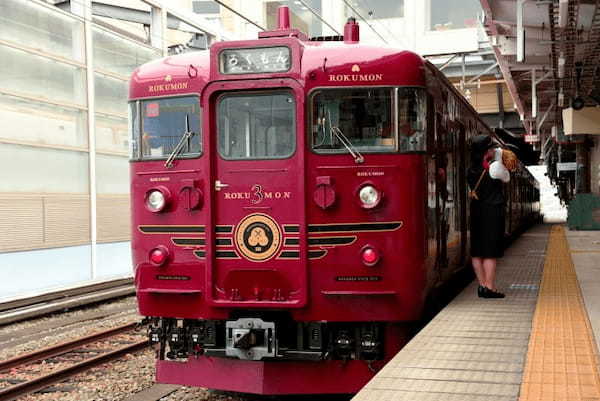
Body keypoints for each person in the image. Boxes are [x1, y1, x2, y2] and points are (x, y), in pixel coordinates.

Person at [467, 135, 517, 299]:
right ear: (486, 152)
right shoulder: (495, 168)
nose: (493, 150)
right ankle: (489, 287)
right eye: (490, 149)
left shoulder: (470, 170)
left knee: (477, 252)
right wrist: (498, 156)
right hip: (492, 213)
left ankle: (481, 286)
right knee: (490, 253)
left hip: (476, 211)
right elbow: (507, 178)